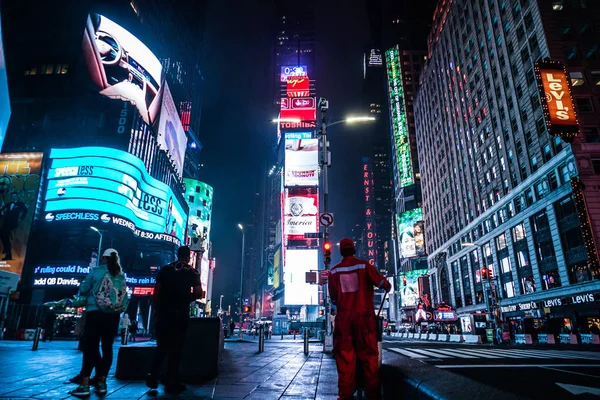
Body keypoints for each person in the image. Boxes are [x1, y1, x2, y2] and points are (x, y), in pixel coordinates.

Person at [328, 238, 391, 400]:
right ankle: (372, 394)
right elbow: (384, 284)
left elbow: (334, 299)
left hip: (344, 322)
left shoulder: (334, 272)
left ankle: (345, 395)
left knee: (344, 358)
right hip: (364, 320)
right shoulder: (364, 266)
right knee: (369, 358)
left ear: (341, 252)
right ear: (354, 250)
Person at [69, 249, 129, 397]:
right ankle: (101, 383)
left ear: (103, 258)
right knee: (108, 347)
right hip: (113, 315)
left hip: (95, 312)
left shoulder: (96, 271)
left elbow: (83, 289)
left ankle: (84, 385)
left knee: (91, 347)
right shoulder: (120, 275)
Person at [146, 246, 202, 394]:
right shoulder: (192, 272)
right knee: (176, 349)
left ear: (177, 255)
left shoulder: (165, 270)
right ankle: (171, 381)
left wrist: (159, 309)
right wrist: (187, 298)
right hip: (180, 315)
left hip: (164, 314)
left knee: (161, 347)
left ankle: (153, 375)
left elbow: (156, 293)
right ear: (188, 256)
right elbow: (198, 292)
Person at [0, 191, 28, 261]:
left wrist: (22, 218)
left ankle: (8, 254)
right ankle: (6, 249)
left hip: (13, 224)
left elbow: (25, 210)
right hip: (6, 223)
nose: (13, 197)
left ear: (17, 197)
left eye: (15, 196)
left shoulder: (20, 204)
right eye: (12, 196)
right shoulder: (9, 204)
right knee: (2, 234)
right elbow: (2, 210)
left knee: (5, 235)